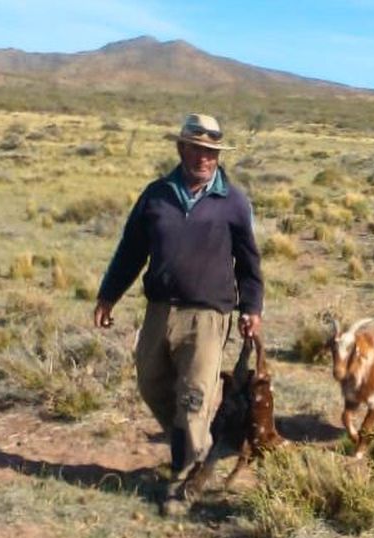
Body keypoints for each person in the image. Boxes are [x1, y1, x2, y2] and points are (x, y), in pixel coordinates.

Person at [93, 112, 263, 515]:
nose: (204, 158)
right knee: (151, 383)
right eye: (197, 149)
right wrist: (108, 295)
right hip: (160, 309)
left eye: (211, 152)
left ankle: (182, 482)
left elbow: (249, 262)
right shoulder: (156, 195)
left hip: (209, 315)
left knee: (193, 397)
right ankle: (197, 444)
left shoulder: (233, 202)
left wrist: (251, 307)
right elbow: (131, 250)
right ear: (181, 148)